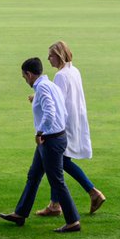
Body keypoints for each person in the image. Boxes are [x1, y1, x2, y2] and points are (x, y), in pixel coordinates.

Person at [0, 57, 82, 233]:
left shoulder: (43, 87)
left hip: (49, 140)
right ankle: (20, 213)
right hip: (56, 137)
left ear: (29, 74)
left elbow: (50, 111)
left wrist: (40, 133)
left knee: (57, 181)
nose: (25, 81)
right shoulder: (50, 85)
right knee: (34, 175)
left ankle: (73, 221)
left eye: (24, 77)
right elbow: (63, 111)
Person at [36, 41, 106, 218]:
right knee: (57, 163)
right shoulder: (74, 71)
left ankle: (92, 191)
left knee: (60, 163)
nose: (48, 59)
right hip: (76, 120)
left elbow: (56, 102)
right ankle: (55, 204)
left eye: (51, 55)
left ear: (58, 56)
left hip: (63, 125)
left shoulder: (60, 76)